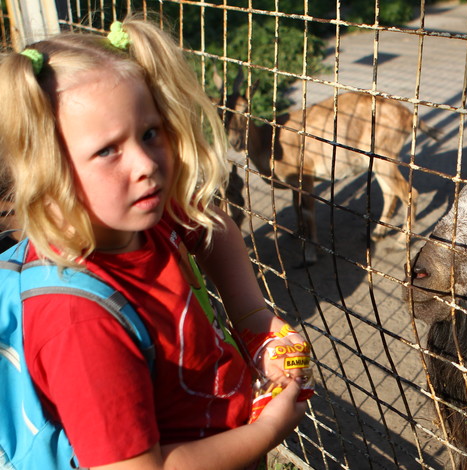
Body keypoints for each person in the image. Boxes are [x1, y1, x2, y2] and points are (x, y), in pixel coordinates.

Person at [0, 17, 312, 469]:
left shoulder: (131, 218)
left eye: (149, 133)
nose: (146, 162)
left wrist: (251, 315)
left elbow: (210, 224)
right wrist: (265, 432)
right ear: (47, 169)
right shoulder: (79, 321)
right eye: (108, 150)